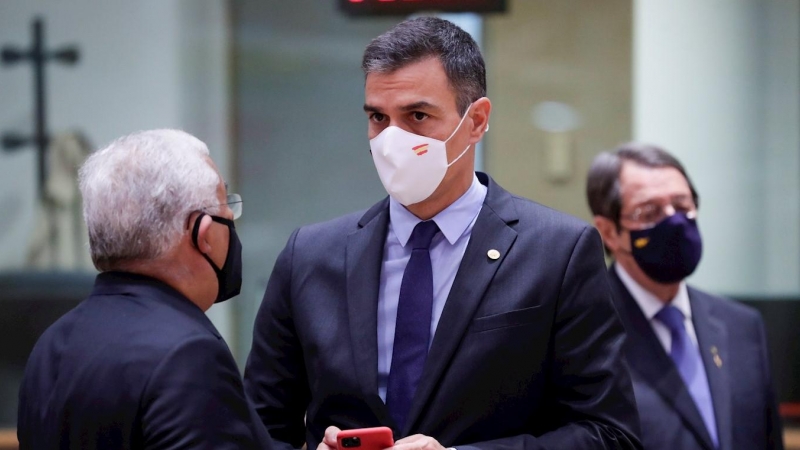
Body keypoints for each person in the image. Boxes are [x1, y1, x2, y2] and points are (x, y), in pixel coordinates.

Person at [244, 17, 641, 450]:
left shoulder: (558, 252)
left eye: (417, 116)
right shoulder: (310, 255)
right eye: (378, 118)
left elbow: (609, 434)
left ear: (476, 121)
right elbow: (255, 431)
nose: (391, 140)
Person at [17, 129, 272, 449]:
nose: (232, 220)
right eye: (226, 206)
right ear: (203, 234)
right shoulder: (188, 355)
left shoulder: (50, 345)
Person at [586, 142, 784, 450]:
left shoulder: (742, 326)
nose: (673, 222)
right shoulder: (586, 332)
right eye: (649, 212)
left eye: (682, 206)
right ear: (609, 232)